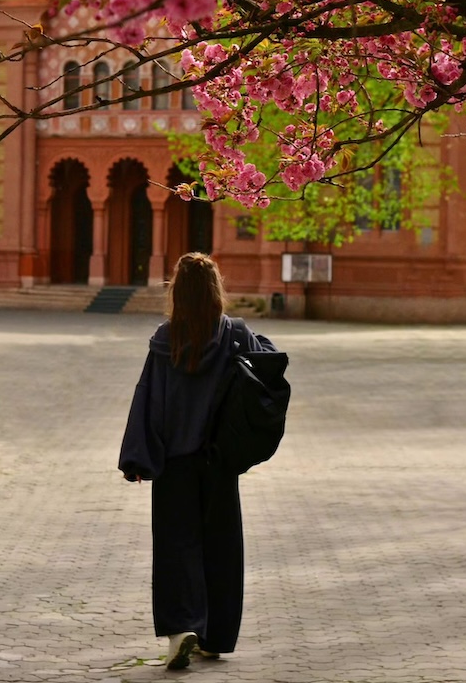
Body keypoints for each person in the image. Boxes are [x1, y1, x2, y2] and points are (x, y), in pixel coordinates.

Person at [118, 252, 280, 670]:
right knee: (221, 548)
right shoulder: (238, 336)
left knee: (176, 547)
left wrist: (137, 458)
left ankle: (181, 629)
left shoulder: (164, 338)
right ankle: (216, 635)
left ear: (178, 292)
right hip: (219, 462)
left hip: (174, 464)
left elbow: (147, 398)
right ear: (215, 290)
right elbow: (271, 372)